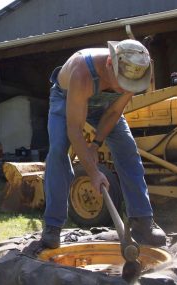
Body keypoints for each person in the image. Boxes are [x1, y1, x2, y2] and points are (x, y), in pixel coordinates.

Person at [41, 39, 167, 249]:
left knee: (128, 150)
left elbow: (114, 112)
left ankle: (142, 221)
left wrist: (96, 144)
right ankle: (53, 226)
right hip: (66, 98)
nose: (121, 88)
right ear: (110, 62)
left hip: (105, 106)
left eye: (127, 86)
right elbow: (75, 130)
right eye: (120, 82)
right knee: (57, 153)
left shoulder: (133, 73)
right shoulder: (82, 72)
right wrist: (93, 172)